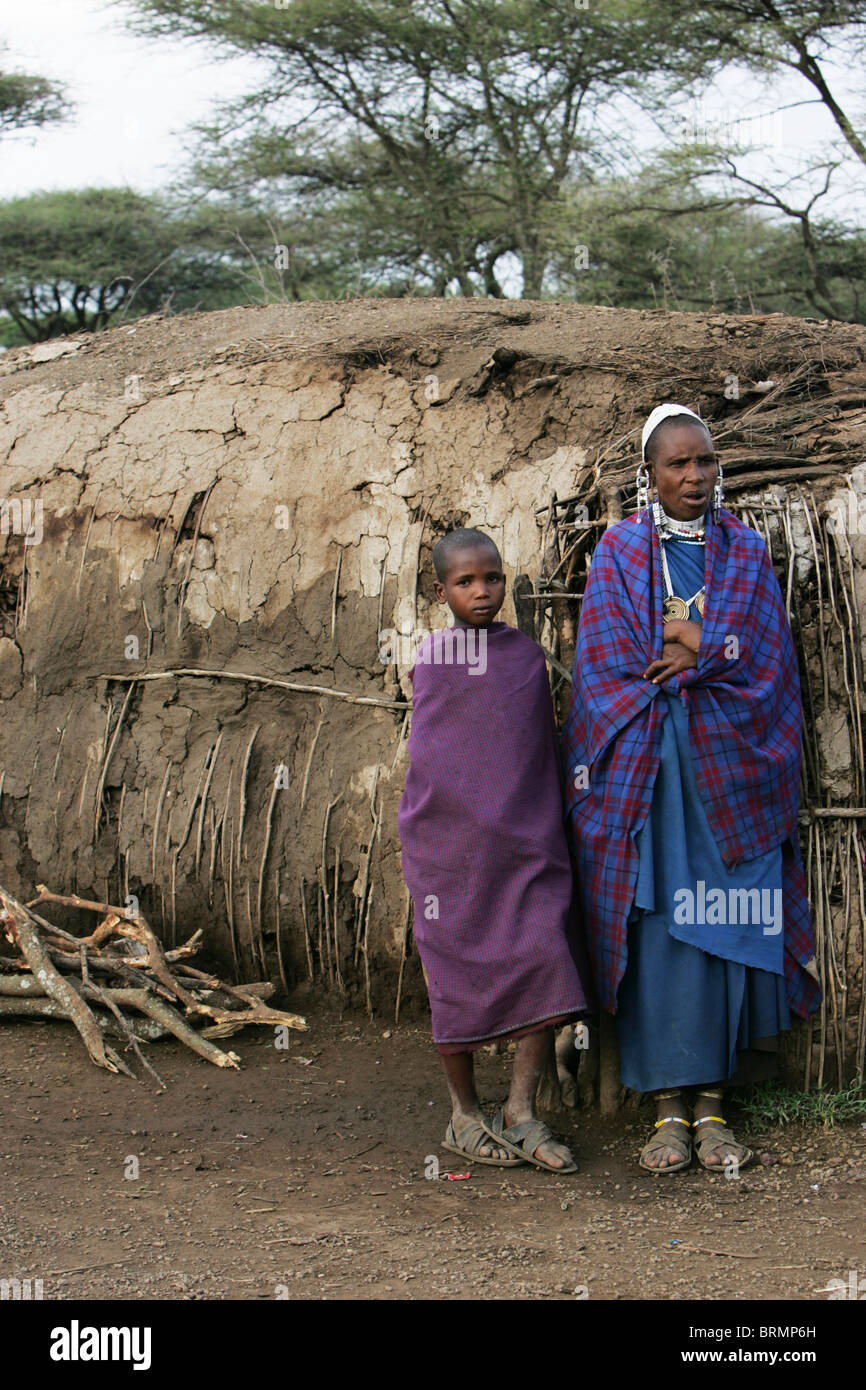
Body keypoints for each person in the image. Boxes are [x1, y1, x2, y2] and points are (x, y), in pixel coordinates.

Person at [562, 404, 821, 1173]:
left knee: (725, 931)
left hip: (730, 785)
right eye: (677, 464)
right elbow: (610, 665)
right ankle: (665, 1112)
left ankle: (712, 1107)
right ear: (649, 474)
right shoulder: (617, 551)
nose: (695, 476)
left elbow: (767, 663)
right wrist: (693, 648)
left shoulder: (743, 550)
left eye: (705, 462)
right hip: (647, 786)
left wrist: (693, 648)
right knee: (660, 935)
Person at [398, 527, 590, 1172]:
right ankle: (462, 1115)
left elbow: (535, 754)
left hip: (525, 844)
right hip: (450, 853)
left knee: (543, 954)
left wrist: (534, 825)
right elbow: (432, 765)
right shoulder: (435, 660)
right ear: (440, 590)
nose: (483, 592)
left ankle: (521, 1111)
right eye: (465, 582)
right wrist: (449, 838)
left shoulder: (523, 659)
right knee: (453, 977)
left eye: (493, 578)